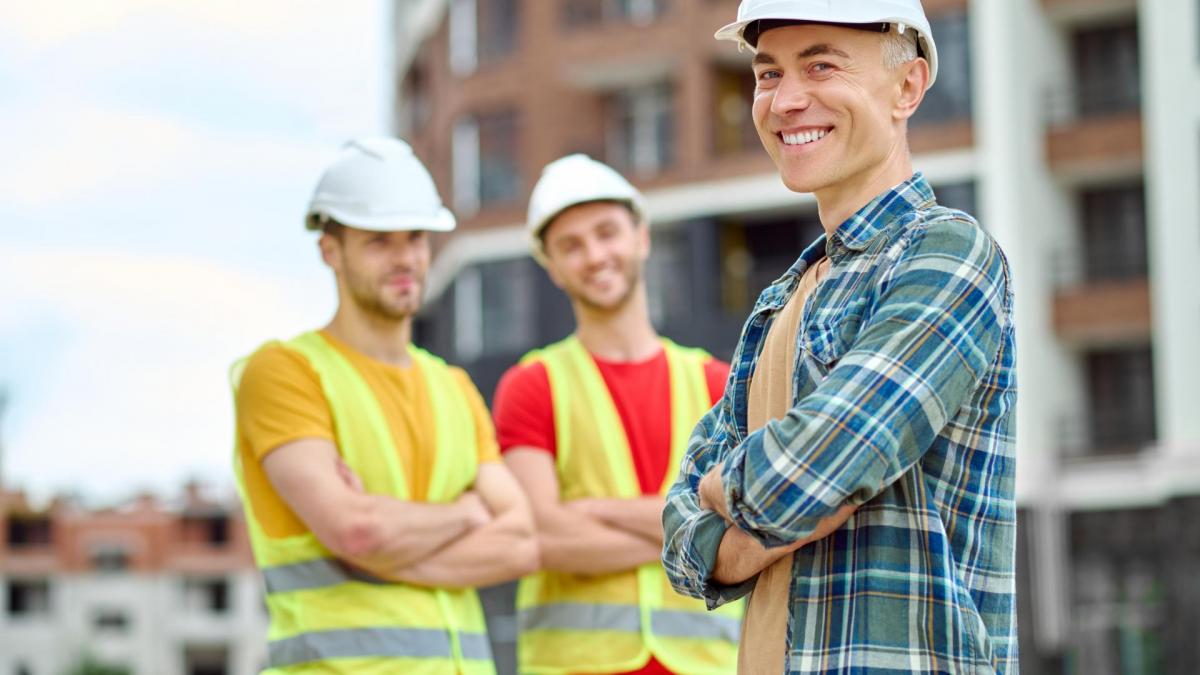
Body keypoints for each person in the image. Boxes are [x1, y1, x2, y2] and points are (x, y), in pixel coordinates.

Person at [660, 1, 1019, 673]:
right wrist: (769, 495)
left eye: (821, 65)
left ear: (906, 88)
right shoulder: (777, 302)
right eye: (768, 74)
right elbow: (681, 540)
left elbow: (818, 468)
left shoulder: (947, 255)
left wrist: (731, 492)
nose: (786, 100)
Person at [231, 138, 537, 674]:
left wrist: (386, 547)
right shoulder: (285, 372)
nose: (405, 259)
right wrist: (467, 512)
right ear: (331, 251)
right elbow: (356, 531)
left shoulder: (453, 386)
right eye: (379, 241)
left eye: (416, 237)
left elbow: (520, 541)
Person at [493, 155, 741, 674]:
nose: (594, 255)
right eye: (571, 245)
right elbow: (541, 535)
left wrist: (590, 510)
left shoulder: (718, 383)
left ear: (641, 238)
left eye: (607, 233)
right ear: (552, 266)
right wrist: (690, 532)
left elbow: (743, 525)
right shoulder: (531, 386)